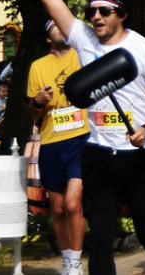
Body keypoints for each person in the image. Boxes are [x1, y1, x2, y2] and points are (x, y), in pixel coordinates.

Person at [10, 0, 145, 275]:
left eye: (105, 11)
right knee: (100, 234)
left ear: (122, 13)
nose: (96, 16)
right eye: (92, 11)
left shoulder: (144, 49)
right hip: (99, 153)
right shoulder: (84, 40)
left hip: (142, 155)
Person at [28, 19, 88, 275]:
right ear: (48, 38)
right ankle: (66, 259)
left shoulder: (82, 56)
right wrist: (38, 101)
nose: (62, 29)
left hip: (81, 138)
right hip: (51, 142)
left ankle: (75, 262)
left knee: (74, 204)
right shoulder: (37, 67)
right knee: (59, 207)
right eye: (55, 27)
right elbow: (34, 112)